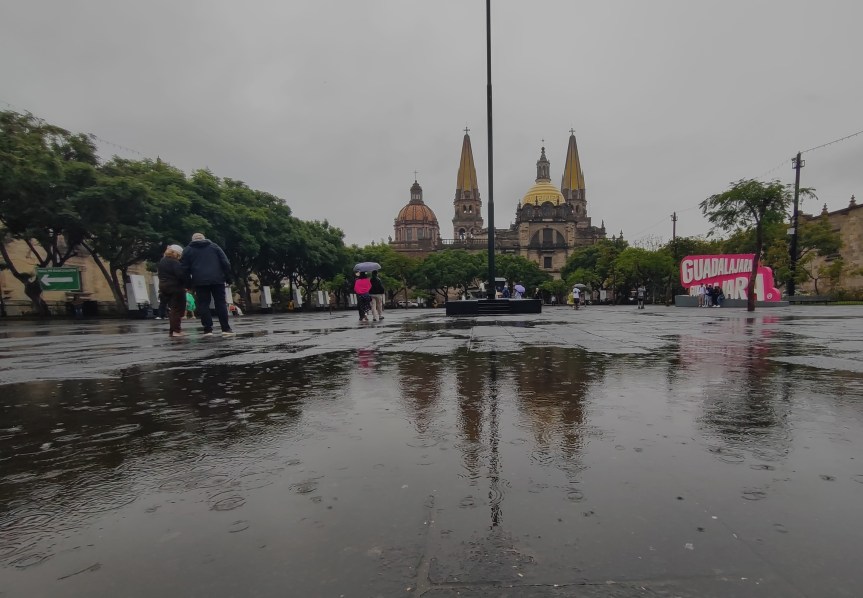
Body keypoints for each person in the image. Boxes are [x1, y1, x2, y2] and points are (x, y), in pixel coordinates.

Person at [181, 232, 234, 336]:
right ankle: (226, 329)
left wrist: (188, 284)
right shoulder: (214, 247)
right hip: (217, 279)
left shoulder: (188, 250)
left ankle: (208, 329)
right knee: (221, 303)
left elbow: (184, 269)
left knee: (203, 304)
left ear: (193, 240)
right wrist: (228, 278)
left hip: (199, 281)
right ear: (204, 238)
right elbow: (225, 262)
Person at [157, 244, 189, 338]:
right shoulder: (174, 262)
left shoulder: (162, 261)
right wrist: (187, 284)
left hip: (163, 286)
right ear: (176, 253)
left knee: (172, 309)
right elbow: (180, 275)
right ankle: (176, 331)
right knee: (177, 309)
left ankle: (173, 331)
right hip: (175, 287)